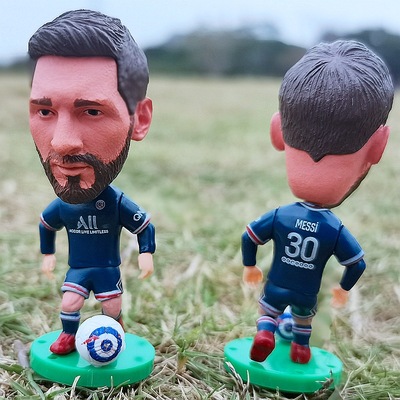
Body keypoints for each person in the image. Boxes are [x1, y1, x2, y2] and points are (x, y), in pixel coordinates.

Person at [241, 40, 394, 364]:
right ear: (378, 146)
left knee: (268, 312)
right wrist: (343, 288)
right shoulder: (334, 228)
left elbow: (249, 236)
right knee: (303, 320)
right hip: (306, 293)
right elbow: (357, 264)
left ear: (278, 131)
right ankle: (301, 348)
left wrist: (250, 265)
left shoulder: (281, 215)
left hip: (277, 286)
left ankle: (266, 331)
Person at [28, 9, 156, 355]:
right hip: (78, 269)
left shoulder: (115, 202)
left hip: (107, 269)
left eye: (92, 111)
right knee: (70, 303)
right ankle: (68, 336)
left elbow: (143, 225)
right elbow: (46, 225)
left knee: (112, 307)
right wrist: (48, 255)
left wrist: (146, 254)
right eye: (44, 111)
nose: (61, 143)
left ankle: (116, 330)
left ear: (138, 119)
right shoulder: (62, 207)